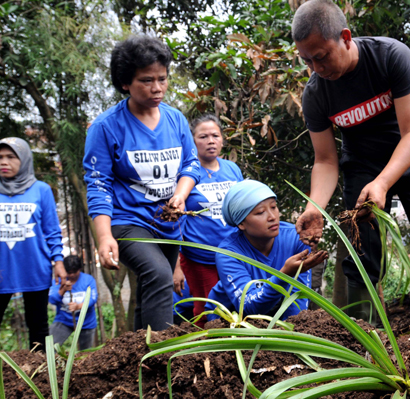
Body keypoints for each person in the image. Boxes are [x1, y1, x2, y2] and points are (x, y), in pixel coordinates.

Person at [291, 0, 410, 318]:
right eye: (307, 61)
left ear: (345, 37)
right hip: (362, 165)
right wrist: (314, 207)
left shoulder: (390, 57)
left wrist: (384, 182)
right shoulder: (316, 93)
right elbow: (325, 161)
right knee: (361, 252)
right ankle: (362, 332)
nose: (316, 69)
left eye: (321, 57)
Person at [83, 35, 201, 331]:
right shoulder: (106, 127)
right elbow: (98, 185)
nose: (157, 88)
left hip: (168, 221)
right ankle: (162, 357)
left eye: (162, 78)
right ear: (125, 83)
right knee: (160, 275)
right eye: (147, 80)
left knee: (150, 292)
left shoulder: (175, 120)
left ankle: (137, 359)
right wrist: (104, 236)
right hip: (128, 220)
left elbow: (191, 163)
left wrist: (180, 194)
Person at [205, 180, 328, 321]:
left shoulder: (296, 238)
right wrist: (284, 275)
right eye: (260, 212)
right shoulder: (228, 253)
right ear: (241, 223)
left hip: (277, 318)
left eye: (274, 207)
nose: (272, 217)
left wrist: (290, 332)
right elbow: (248, 308)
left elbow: (297, 301)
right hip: (231, 320)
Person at [175, 114, 243, 327]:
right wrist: (176, 265)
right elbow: (175, 219)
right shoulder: (184, 173)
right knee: (208, 309)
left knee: (237, 306)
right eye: (203, 136)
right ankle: (204, 353)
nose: (211, 141)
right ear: (192, 142)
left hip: (234, 254)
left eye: (215, 135)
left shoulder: (232, 169)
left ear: (223, 140)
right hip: (200, 256)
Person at [0, 137, 66, 351]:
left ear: (24, 159)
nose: (4, 162)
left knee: (38, 328)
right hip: (1, 271)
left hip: (33, 269)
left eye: (11, 157)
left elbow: (52, 230)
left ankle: (39, 377)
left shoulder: (41, 190)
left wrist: (58, 260)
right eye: (0, 157)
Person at [49, 255, 98, 350]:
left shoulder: (88, 280)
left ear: (80, 269)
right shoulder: (58, 281)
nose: (71, 275)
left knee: (85, 353)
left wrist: (79, 306)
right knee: (50, 348)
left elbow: (93, 299)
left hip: (86, 323)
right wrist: (62, 290)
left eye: (74, 272)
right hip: (63, 321)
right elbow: (52, 300)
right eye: (69, 272)